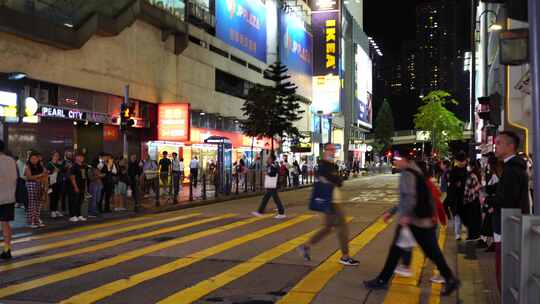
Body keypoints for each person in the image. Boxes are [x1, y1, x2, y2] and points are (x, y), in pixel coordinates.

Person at [364, 155, 460, 296]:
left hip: (414, 221)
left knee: (420, 251)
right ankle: (450, 279)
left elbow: (409, 197)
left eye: (397, 159)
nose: (395, 162)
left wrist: (406, 216)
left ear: (405, 160)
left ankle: (382, 280)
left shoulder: (408, 174)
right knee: (417, 251)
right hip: (420, 219)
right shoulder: (416, 172)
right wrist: (392, 212)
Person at [298, 144, 359, 266]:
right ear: (325, 151)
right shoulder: (322, 166)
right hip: (330, 201)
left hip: (335, 199)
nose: (333, 152)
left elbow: (339, 181)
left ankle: (306, 246)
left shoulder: (333, 165)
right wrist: (334, 179)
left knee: (327, 228)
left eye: (334, 150)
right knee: (342, 228)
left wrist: (333, 179)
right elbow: (332, 179)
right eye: (331, 150)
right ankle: (345, 256)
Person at [493, 131, 530, 290]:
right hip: (509, 225)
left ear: (511, 146)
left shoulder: (511, 169)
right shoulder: (512, 167)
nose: (495, 146)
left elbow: (506, 199)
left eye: (499, 143)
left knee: (504, 273)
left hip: (507, 227)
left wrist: (486, 200)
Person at [252, 154, 286, 219]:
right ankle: (260, 211)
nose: (267, 159)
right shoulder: (270, 166)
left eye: (268, 158)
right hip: (271, 185)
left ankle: (281, 213)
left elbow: (274, 173)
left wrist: (268, 173)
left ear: (271, 160)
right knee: (266, 198)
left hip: (272, 185)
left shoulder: (273, 166)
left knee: (275, 199)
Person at [0, 140, 17, 259]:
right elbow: (15, 178)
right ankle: (7, 249)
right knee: (5, 223)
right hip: (9, 197)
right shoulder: (11, 160)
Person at [25, 151, 48, 228]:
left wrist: (45, 185)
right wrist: (40, 175)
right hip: (31, 185)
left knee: (39, 204)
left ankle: (37, 220)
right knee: (32, 203)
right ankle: (31, 221)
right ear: (29, 159)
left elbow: (45, 174)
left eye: (36, 158)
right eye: (32, 158)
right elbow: (29, 177)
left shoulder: (40, 166)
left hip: (40, 185)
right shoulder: (28, 166)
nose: (34, 160)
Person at [448, 152, 468, 241]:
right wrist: (457, 185)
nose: (462, 162)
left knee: (466, 216)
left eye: (463, 161)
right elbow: (451, 185)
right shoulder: (454, 170)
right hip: (457, 198)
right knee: (457, 217)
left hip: (466, 197)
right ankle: (457, 234)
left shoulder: (467, 170)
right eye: (460, 161)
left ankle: (466, 233)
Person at [463, 160, 482, 241]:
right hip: (475, 200)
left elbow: (467, 190)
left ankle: (472, 236)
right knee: (475, 219)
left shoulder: (471, 175)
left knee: (471, 219)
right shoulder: (477, 174)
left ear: (472, 166)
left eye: (469, 165)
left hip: (471, 200)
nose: (468, 167)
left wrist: (465, 198)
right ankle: (475, 235)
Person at [68, 153, 86, 222]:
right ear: (76, 158)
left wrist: (85, 187)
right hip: (75, 186)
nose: (82, 158)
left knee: (80, 201)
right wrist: (75, 187)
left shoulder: (83, 166)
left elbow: (84, 177)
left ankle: (79, 215)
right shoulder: (74, 166)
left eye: (82, 157)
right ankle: (72, 216)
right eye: (80, 156)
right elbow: (72, 178)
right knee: (74, 201)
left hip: (82, 186)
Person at [47, 151, 64, 218]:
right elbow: (47, 173)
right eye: (55, 155)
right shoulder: (49, 164)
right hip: (52, 183)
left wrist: (62, 166)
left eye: (58, 156)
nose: (57, 157)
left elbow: (63, 170)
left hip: (59, 182)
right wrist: (53, 171)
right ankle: (52, 211)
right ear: (52, 156)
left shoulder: (59, 164)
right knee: (52, 197)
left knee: (57, 197)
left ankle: (56, 210)